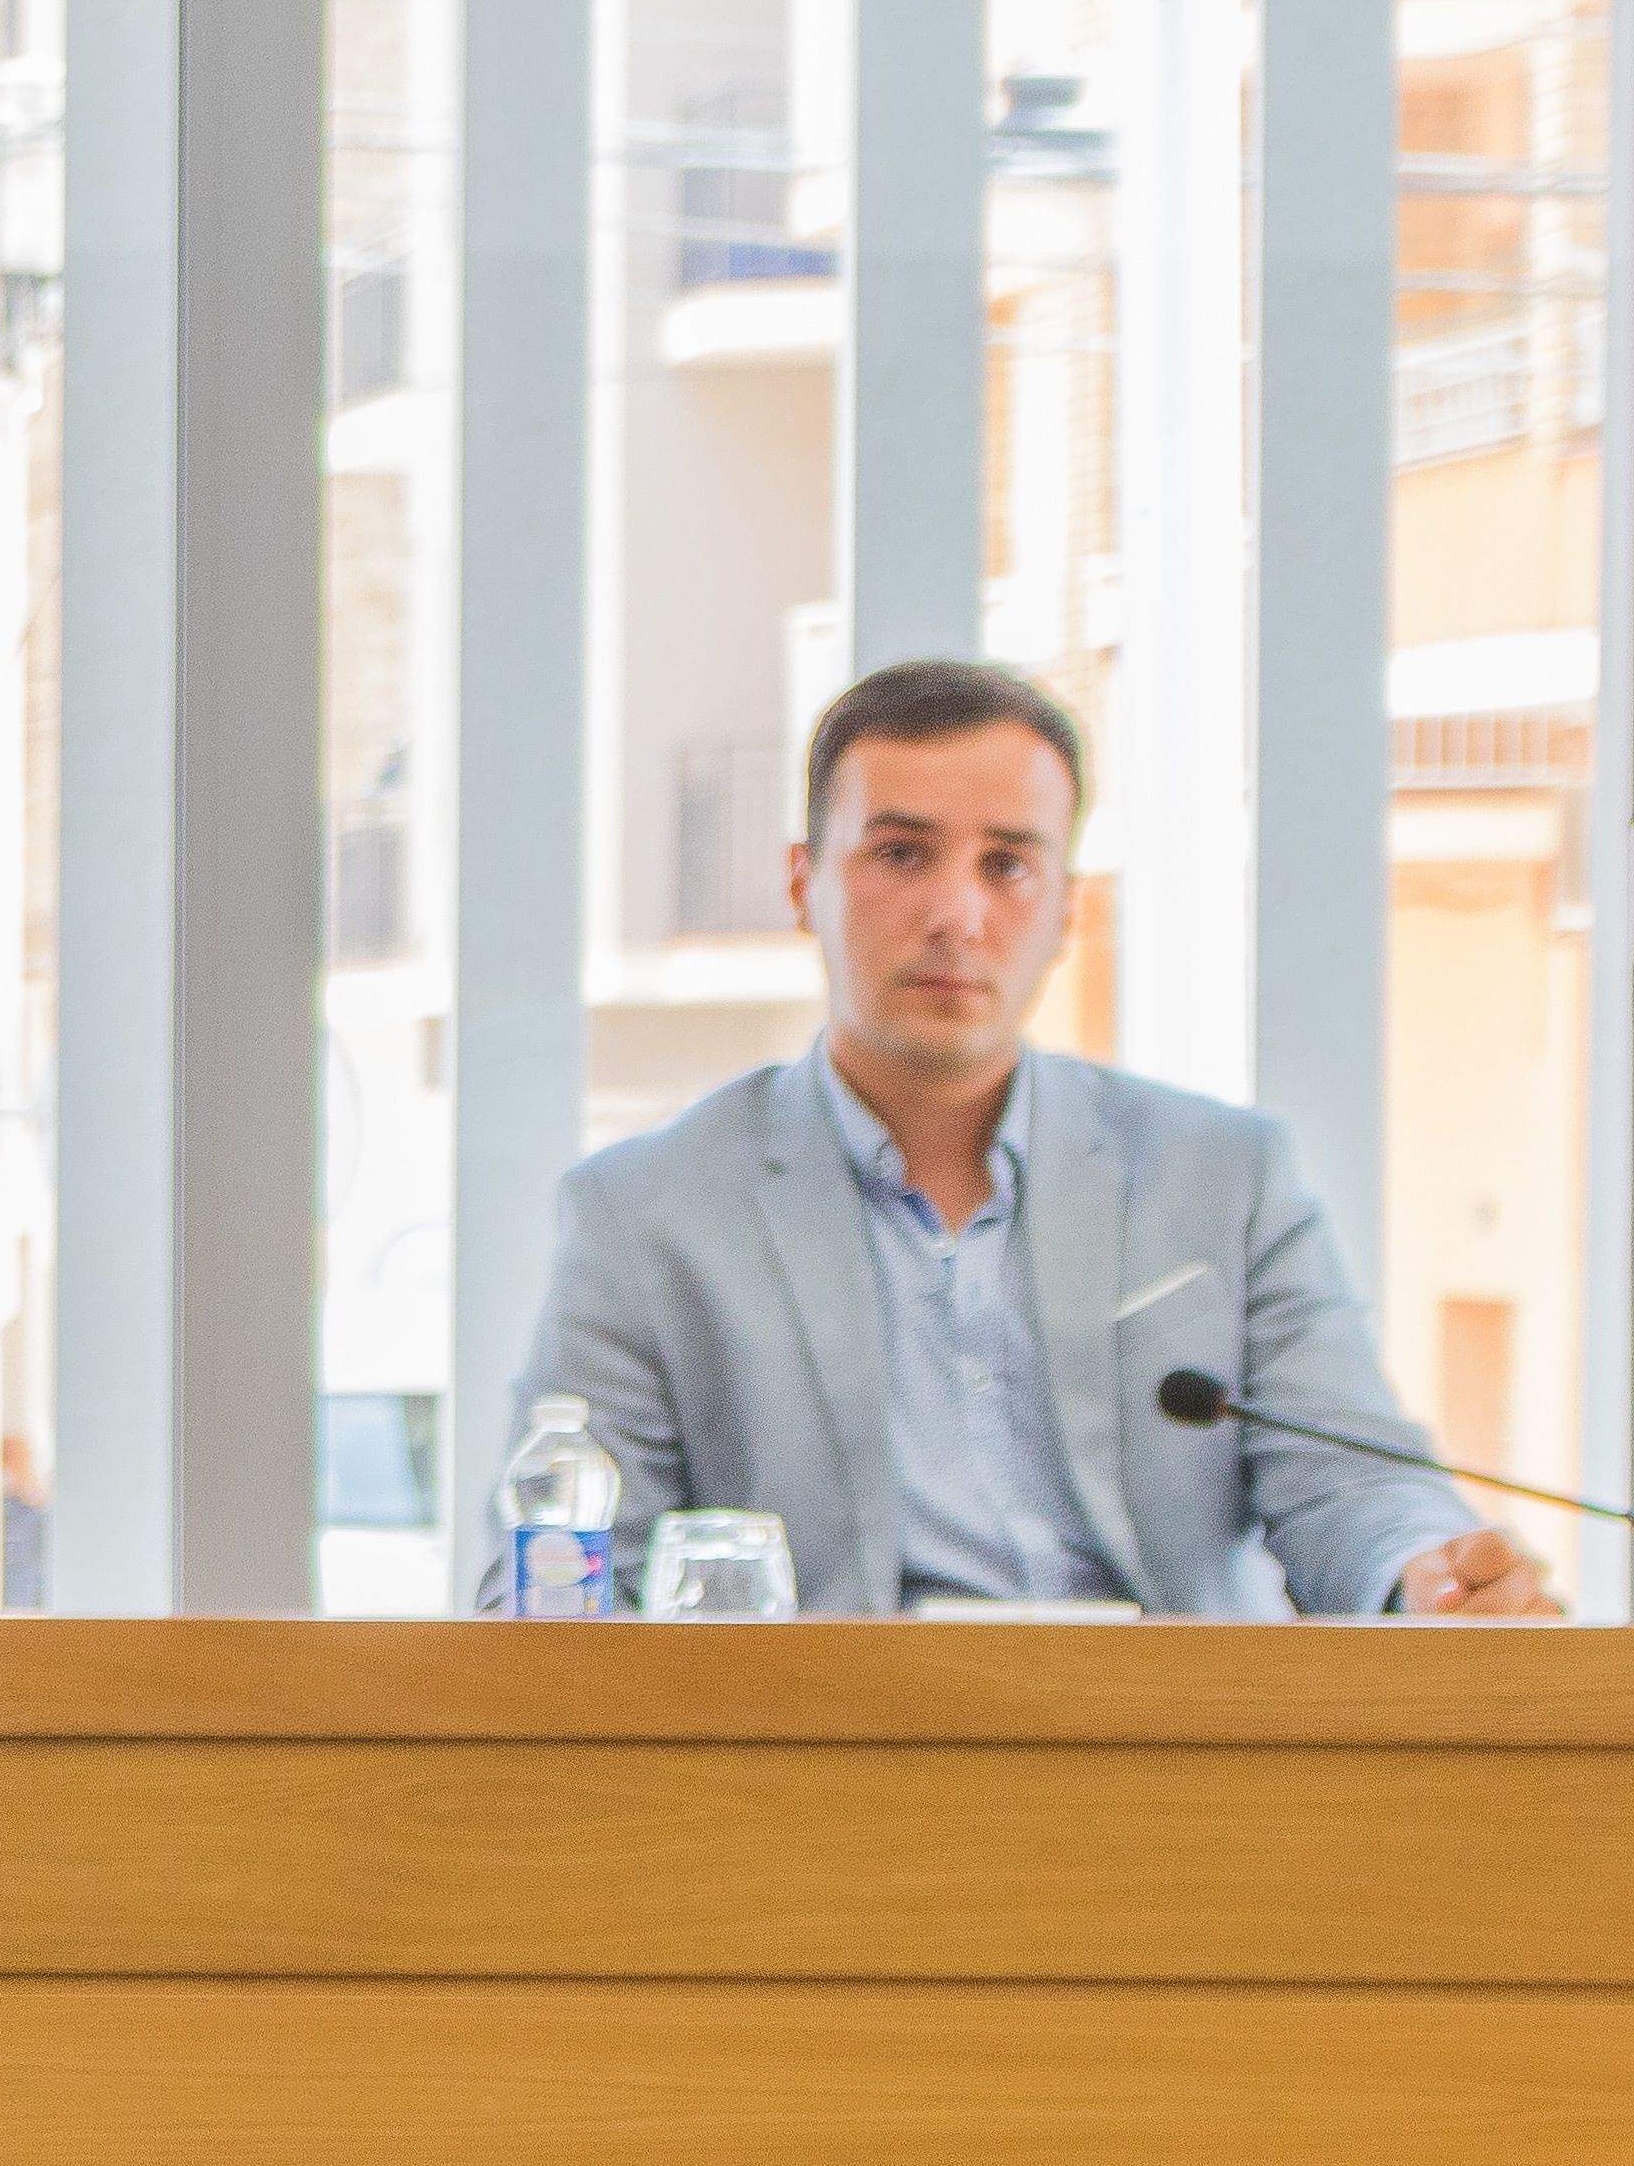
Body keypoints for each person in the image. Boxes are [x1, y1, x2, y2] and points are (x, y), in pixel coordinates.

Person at [500, 658, 1549, 1619]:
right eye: (900, 853)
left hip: (1162, 1739)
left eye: (1006, 865)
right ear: (801, 883)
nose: (955, 913)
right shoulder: (645, 1214)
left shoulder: (1223, 1180)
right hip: (827, 1749)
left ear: (1066, 913)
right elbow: (555, 1585)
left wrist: (1428, 1578)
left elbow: (1352, 1482)